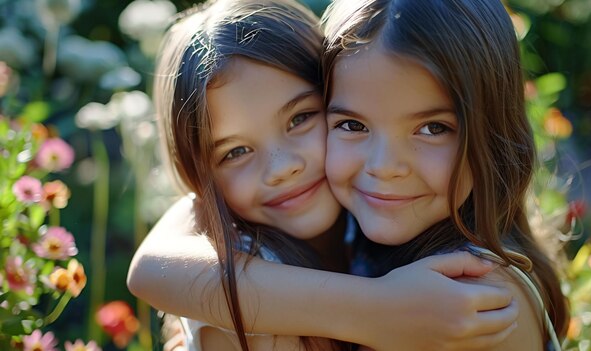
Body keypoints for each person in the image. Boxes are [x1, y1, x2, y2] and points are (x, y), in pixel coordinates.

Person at [128, 0, 519, 350]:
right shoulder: (252, 327)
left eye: (301, 118)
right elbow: (150, 270)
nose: (282, 168)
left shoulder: (389, 227)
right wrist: (380, 308)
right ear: (201, 174)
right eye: (236, 152)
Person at [320, 0, 569, 349]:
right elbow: (213, 284)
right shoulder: (350, 232)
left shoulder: (470, 302)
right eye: (352, 125)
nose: (384, 166)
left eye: (433, 128)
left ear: (493, 132)